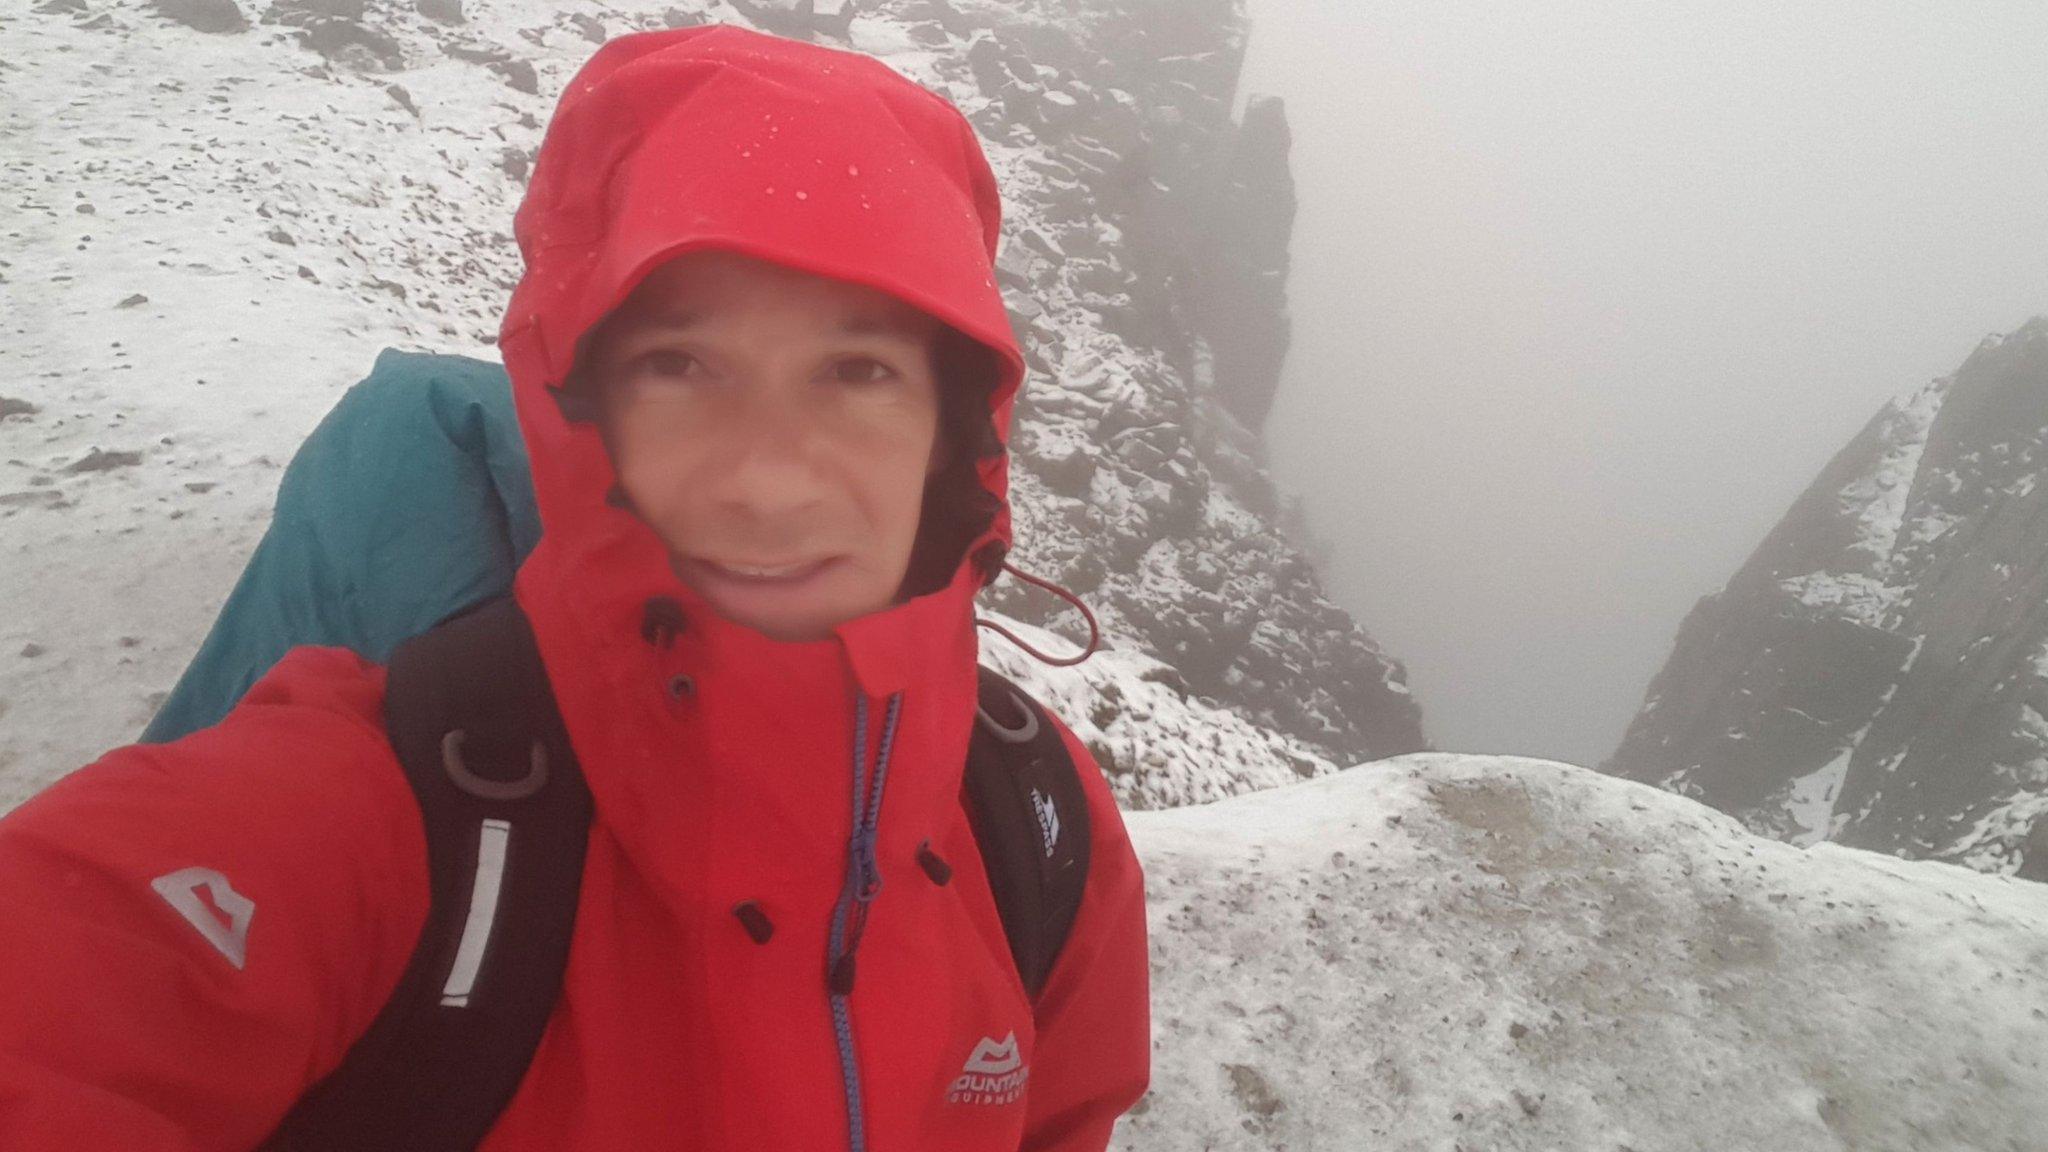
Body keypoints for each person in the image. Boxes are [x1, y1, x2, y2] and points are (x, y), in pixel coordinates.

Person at [0, 24, 1151, 1151]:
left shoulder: (1041, 827)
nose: (768, 475)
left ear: (955, 430)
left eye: (857, 372)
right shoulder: (366, 820)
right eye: (681, 367)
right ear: (580, 400)